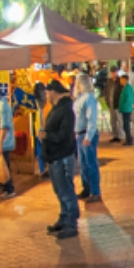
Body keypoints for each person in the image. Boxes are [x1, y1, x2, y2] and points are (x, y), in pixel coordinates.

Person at [38, 80, 79, 239]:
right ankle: (64, 217)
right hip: (55, 156)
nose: (47, 95)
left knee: (65, 189)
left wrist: (47, 135)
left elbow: (64, 135)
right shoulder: (57, 109)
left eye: (48, 92)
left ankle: (71, 221)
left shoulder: (66, 111)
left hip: (62, 156)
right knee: (59, 189)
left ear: (54, 92)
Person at [73, 74, 102, 203]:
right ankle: (87, 188)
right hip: (80, 133)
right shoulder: (79, 98)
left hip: (86, 134)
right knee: (83, 164)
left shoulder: (89, 98)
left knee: (90, 164)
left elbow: (92, 118)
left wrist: (88, 135)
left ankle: (95, 191)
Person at [103, 65, 124, 143]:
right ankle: (114, 135)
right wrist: (107, 100)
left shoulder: (120, 81)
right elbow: (106, 91)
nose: (113, 74)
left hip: (118, 104)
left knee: (119, 120)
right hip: (111, 104)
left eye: (114, 72)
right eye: (112, 72)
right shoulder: (109, 81)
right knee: (113, 120)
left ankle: (120, 135)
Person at [118, 74, 134, 145]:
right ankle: (129, 138)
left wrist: (123, 106)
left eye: (121, 79)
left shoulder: (127, 88)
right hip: (126, 109)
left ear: (124, 80)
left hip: (126, 109)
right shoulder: (127, 87)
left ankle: (129, 139)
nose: (120, 81)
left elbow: (128, 99)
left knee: (126, 125)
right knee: (126, 125)